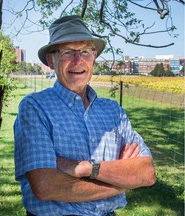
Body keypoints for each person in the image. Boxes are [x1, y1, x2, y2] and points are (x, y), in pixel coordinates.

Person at [14, 15, 156, 216]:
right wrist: (121, 184)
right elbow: (46, 186)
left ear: (94, 56)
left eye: (85, 51)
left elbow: (147, 173)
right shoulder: (35, 108)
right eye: (67, 52)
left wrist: (85, 168)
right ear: (50, 61)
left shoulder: (113, 111)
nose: (78, 60)